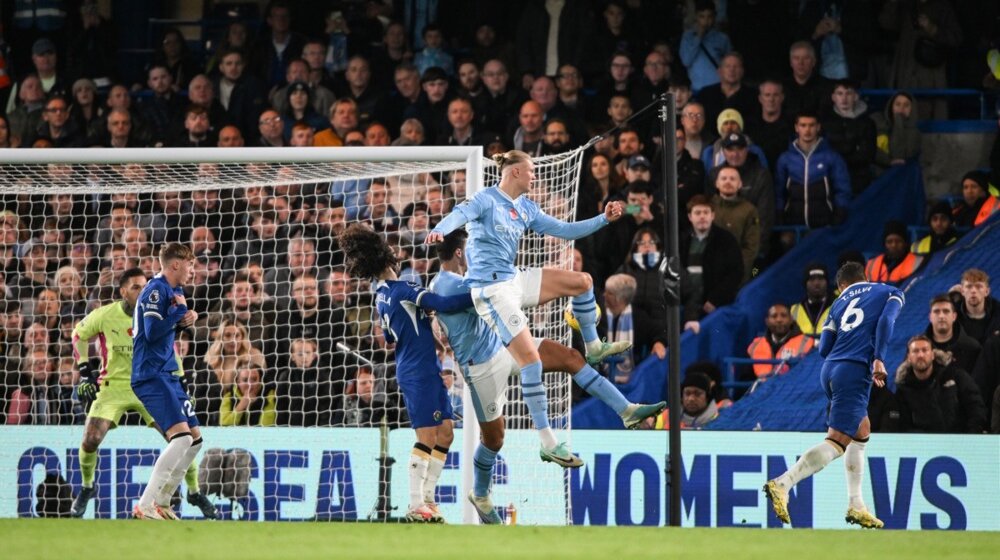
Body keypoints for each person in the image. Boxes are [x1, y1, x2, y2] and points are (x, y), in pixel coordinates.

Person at [429, 230, 664, 523]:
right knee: (494, 438)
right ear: (462, 253)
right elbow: (499, 293)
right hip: (482, 368)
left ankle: (626, 410)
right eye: (473, 247)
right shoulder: (449, 286)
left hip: (506, 346)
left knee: (570, 358)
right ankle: (479, 492)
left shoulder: (461, 280)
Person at [427, 151, 631, 438]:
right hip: (485, 326)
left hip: (509, 286)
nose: (535, 176)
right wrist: (440, 228)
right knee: (495, 438)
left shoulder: (526, 208)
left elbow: (566, 230)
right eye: (531, 170)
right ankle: (545, 439)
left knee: (582, 284)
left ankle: (599, 358)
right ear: (515, 173)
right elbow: (460, 214)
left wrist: (603, 219)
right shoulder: (485, 200)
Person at [338, 224, 475, 523]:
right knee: (427, 436)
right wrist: (481, 294)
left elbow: (388, 339)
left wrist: (417, 322)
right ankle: (416, 504)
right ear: (391, 261)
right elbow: (443, 303)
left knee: (447, 433)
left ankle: (428, 499)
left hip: (424, 367)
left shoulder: (381, 295)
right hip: (418, 371)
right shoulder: (405, 291)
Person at [765, 262, 905, 529]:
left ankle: (856, 504)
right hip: (854, 371)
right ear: (866, 278)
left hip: (830, 369)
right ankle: (783, 483)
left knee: (861, 430)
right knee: (837, 443)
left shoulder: (838, 304)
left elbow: (824, 346)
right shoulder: (889, 291)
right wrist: (878, 359)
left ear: (842, 286)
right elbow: (886, 321)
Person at [69, 268, 214, 518]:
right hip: (114, 386)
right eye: (136, 287)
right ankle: (87, 486)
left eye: (145, 286)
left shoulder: (154, 313)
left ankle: (193, 490)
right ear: (123, 291)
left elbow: (168, 348)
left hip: (151, 383)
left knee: (181, 438)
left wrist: (180, 381)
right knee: (91, 438)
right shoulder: (104, 315)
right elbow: (78, 335)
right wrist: (84, 370)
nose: (143, 290)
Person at [130, 243, 203, 520]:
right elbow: (151, 332)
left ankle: (162, 502)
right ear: (175, 265)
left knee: (195, 440)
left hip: (167, 372)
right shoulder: (155, 289)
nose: (192, 271)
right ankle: (145, 504)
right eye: (190, 265)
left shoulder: (175, 291)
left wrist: (187, 318)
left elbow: (171, 326)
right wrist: (177, 315)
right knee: (181, 438)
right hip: (149, 374)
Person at [893, 335, 986, 434]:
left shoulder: (955, 376)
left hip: (960, 443)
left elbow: (976, 408)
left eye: (925, 350)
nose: (920, 355)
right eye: (915, 351)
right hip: (923, 446)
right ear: (909, 358)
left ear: (933, 354)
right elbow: (903, 427)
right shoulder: (903, 390)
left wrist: (970, 438)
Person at [774, 110, 851, 228]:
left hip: (824, 228)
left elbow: (842, 190)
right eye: (803, 125)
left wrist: (838, 217)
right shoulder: (785, 159)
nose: (807, 130)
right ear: (796, 128)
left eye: (811, 125)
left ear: (818, 127)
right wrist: (780, 219)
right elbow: (778, 193)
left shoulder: (832, 157)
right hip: (792, 226)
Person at [680, 195, 743, 334]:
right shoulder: (680, 240)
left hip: (714, 306)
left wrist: (715, 299)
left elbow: (735, 272)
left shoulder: (726, 239)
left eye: (706, 212)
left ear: (712, 215)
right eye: (697, 213)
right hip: (686, 305)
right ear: (690, 217)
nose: (702, 216)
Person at [710, 165, 760, 282]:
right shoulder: (707, 206)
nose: (728, 182)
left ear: (740, 184)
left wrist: (738, 267)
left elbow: (751, 247)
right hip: (710, 269)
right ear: (716, 183)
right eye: (724, 178)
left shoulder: (749, 210)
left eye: (732, 179)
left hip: (738, 271)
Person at [746, 303, 815, 379]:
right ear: (767, 321)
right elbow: (746, 376)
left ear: (791, 319)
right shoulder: (755, 345)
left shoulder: (806, 343)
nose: (779, 320)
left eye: (783, 316)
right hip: (762, 389)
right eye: (774, 316)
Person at [925, 294, 980, 375]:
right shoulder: (918, 349)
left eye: (946, 311)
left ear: (954, 316)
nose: (941, 316)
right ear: (930, 317)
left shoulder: (972, 347)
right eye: (936, 312)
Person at [864, 220, 923, 285]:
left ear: (905, 243)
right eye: (889, 242)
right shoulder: (871, 264)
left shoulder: (918, 262)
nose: (893, 245)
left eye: (898, 241)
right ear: (884, 244)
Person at [955, 268, 1000, 345]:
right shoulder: (952, 314)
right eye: (969, 286)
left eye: (978, 287)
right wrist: (948, 298)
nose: (973, 291)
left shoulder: (998, 313)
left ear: (987, 291)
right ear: (962, 291)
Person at [789, 263, 833, 339]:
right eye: (812, 279)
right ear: (805, 283)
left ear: (827, 282)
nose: (816, 283)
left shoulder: (838, 306)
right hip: (802, 351)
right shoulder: (793, 310)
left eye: (820, 279)